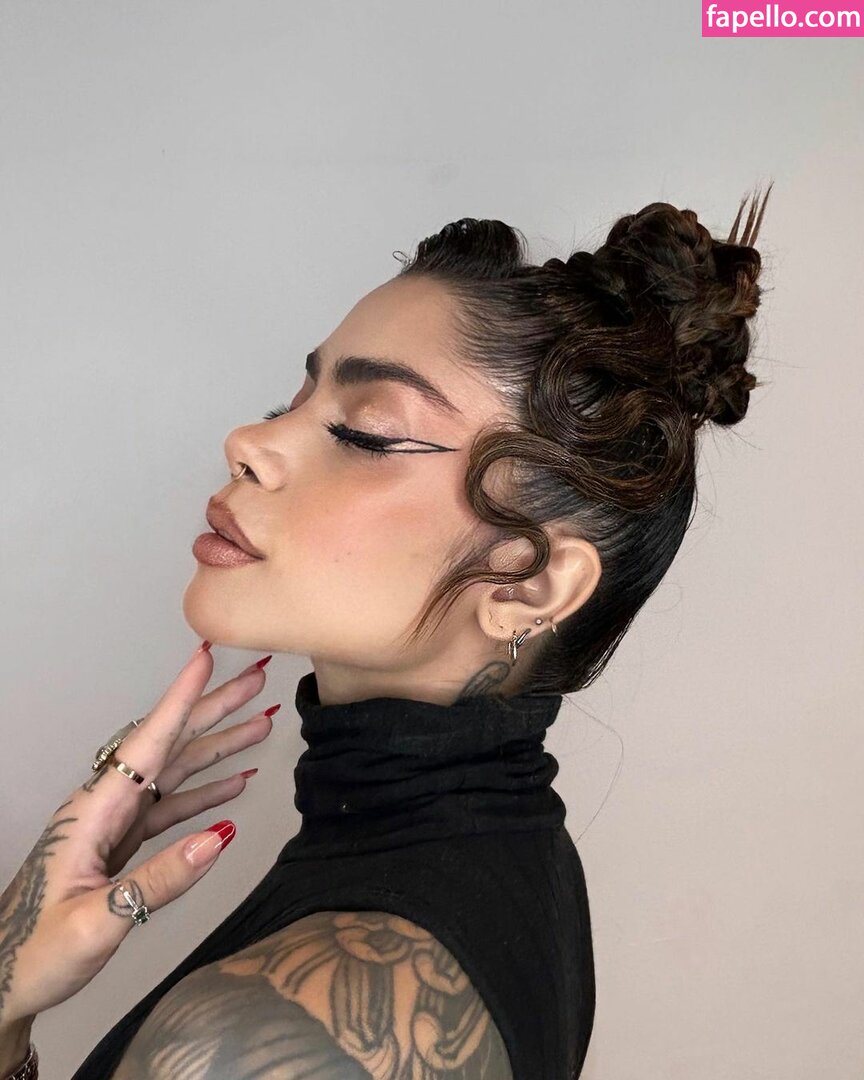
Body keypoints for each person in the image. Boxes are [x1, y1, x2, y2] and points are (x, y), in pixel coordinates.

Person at [0, 187, 772, 1080]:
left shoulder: (265, 1038)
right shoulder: (515, 861)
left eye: (364, 433)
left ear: (529, 583)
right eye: (292, 400)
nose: (248, 439)